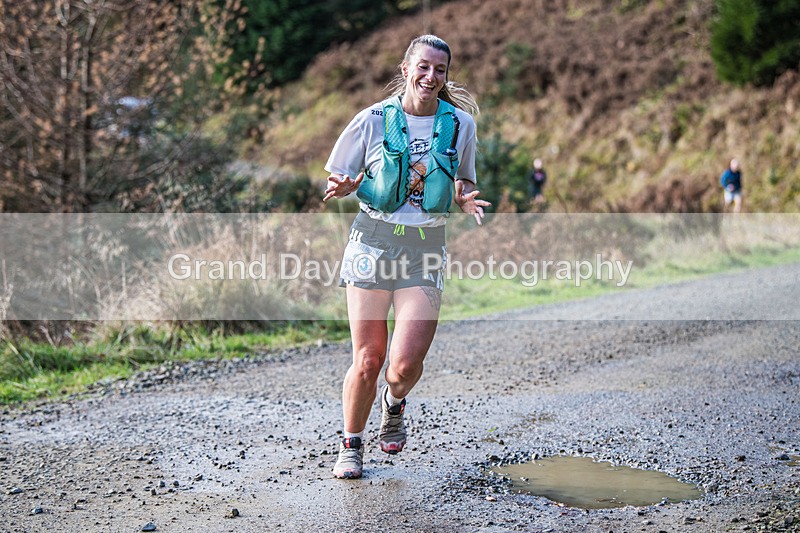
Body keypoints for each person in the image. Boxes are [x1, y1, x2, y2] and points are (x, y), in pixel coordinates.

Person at [322, 34, 489, 479]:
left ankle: (393, 404)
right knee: (369, 359)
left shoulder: (460, 125)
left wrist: (466, 199)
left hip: (425, 247)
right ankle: (351, 445)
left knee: (404, 365)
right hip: (371, 241)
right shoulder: (372, 120)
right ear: (405, 69)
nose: (431, 76)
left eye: (440, 70)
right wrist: (345, 185)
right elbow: (343, 172)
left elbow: (461, 182)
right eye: (424, 67)